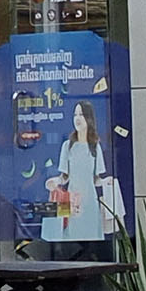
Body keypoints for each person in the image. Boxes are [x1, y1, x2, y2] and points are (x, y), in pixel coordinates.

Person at [45, 101, 112, 259]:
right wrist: (54, 182)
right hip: (71, 202)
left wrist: (105, 182)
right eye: (75, 114)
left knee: (91, 245)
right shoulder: (67, 146)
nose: (77, 118)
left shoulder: (95, 146)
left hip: (90, 203)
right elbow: (64, 177)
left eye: (81, 114)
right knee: (70, 242)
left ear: (88, 118)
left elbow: (96, 179)